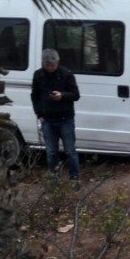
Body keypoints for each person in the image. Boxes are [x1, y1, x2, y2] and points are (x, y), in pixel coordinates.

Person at [31, 48, 81, 183]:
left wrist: (62, 95)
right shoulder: (38, 75)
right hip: (47, 120)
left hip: (65, 119)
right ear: (43, 63)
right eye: (48, 65)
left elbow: (76, 95)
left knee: (70, 151)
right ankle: (54, 178)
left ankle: (74, 178)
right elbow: (34, 96)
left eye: (53, 65)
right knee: (51, 152)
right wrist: (39, 114)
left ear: (57, 62)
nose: (51, 67)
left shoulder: (66, 74)